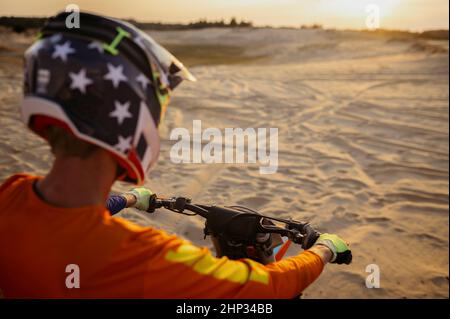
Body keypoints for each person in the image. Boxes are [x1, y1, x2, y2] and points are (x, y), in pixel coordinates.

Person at [0, 11, 351, 298]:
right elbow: (270, 287)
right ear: (127, 120)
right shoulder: (147, 257)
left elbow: (67, 222)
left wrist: (126, 200)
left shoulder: (13, 193)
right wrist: (324, 251)